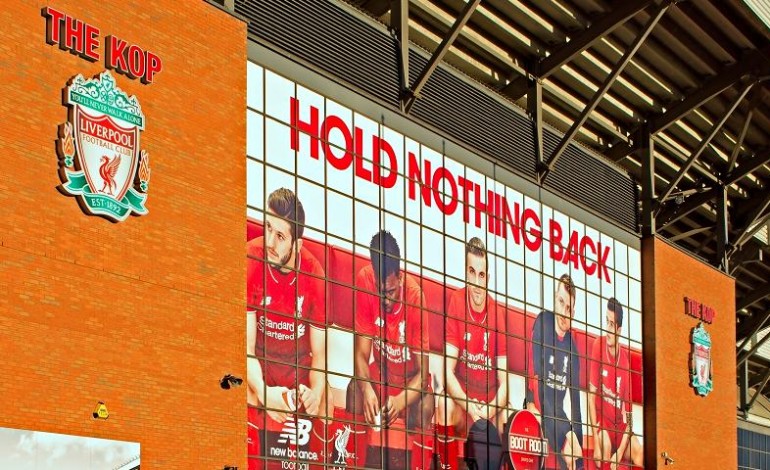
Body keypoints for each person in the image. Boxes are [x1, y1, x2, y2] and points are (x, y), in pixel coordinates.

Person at [246, 188, 328, 468]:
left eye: (280, 236)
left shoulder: (315, 275)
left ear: (298, 243)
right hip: (260, 369)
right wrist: (265, 392)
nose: (270, 242)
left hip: (296, 378)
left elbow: (320, 357)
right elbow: (245, 349)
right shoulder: (251, 259)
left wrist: (315, 393)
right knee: (245, 390)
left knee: (323, 403)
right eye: (268, 228)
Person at [346, 230, 433, 468]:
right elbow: (360, 354)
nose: (385, 300)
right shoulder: (364, 280)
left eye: (391, 292)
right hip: (382, 374)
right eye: (380, 292)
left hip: (408, 383)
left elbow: (423, 374)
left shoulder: (416, 298)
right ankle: (357, 462)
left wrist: (400, 400)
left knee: (426, 403)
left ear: (400, 277)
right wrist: (368, 389)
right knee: (354, 389)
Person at [436, 237, 509, 469]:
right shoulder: (457, 301)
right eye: (472, 272)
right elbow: (447, 370)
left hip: (488, 404)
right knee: (443, 404)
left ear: (488, 277)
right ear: (465, 273)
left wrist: (488, 410)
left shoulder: (497, 312)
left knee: (504, 417)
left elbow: (504, 383)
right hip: (464, 401)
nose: (477, 282)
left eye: (481, 275)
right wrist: (469, 406)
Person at [527, 274, 583, 470]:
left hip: (558, 412)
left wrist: (578, 445)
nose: (563, 312)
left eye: (568, 308)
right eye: (561, 302)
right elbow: (538, 385)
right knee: (536, 428)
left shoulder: (573, 350)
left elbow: (576, 408)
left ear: (573, 313)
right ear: (555, 299)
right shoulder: (543, 322)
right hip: (535, 401)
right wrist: (564, 436)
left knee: (575, 455)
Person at [588, 298, 643, 470]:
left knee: (640, 454)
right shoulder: (599, 345)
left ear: (619, 329)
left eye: (612, 324)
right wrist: (595, 441)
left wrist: (619, 453)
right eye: (607, 322)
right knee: (603, 451)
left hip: (619, 427)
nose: (608, 329)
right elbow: (590, 398)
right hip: (603, 423)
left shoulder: (625, 361)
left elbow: (629, 418)